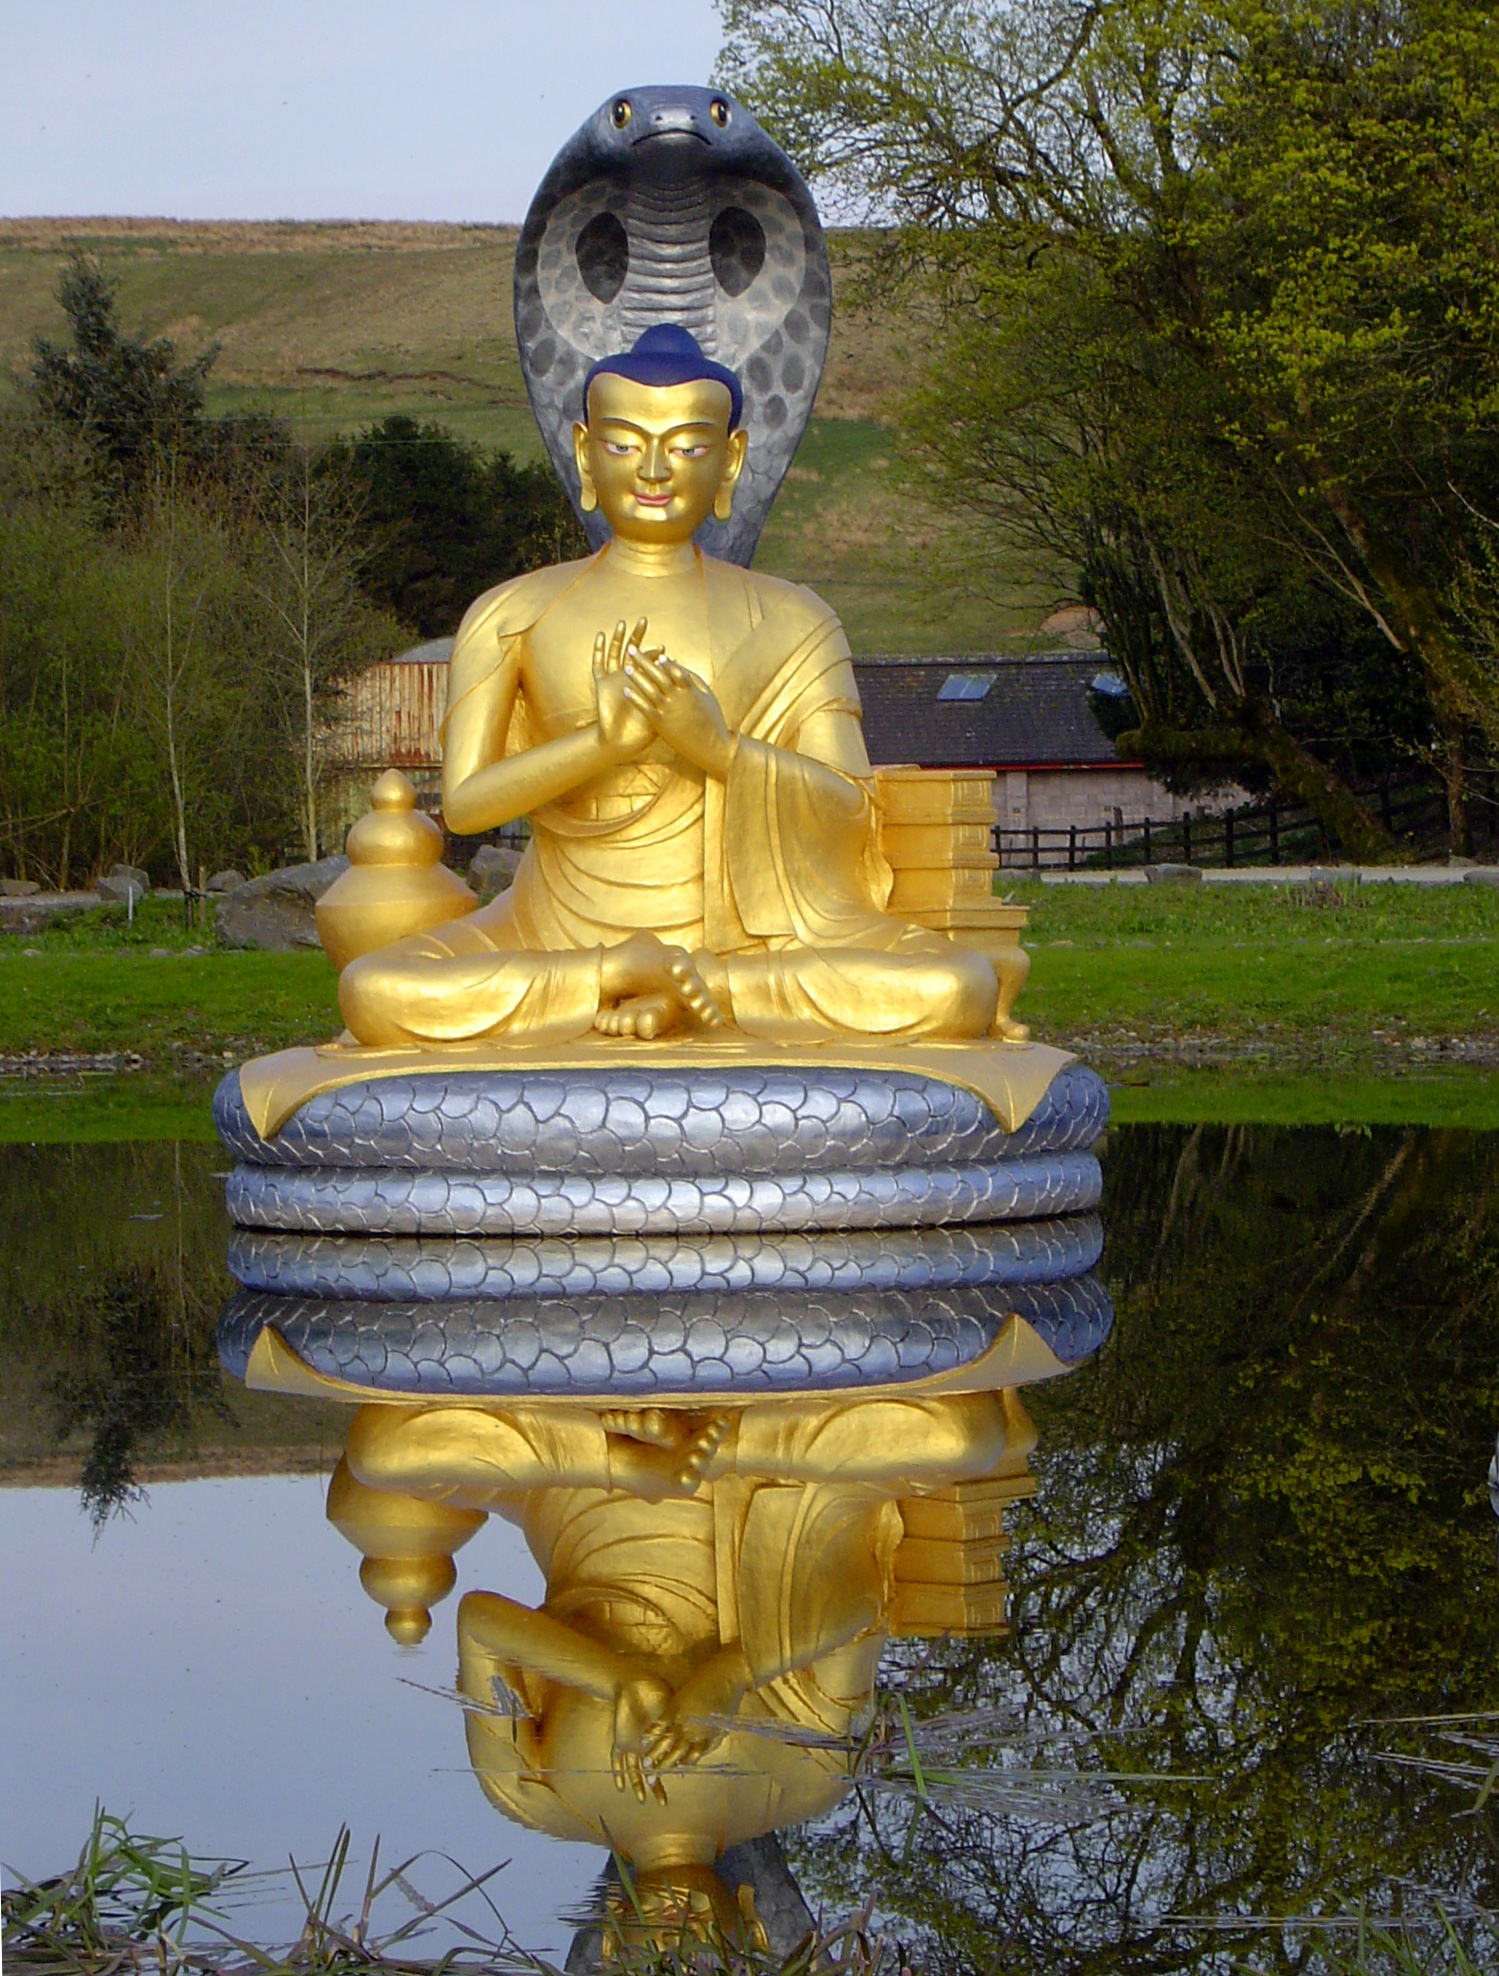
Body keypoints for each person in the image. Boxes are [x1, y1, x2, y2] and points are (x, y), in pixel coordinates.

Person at [338, 324, 999, 1049]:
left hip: (750, 942)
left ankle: (701, 986)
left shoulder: (792, 616)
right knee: (374, 992)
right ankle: (616, 973)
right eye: (624, 444)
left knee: (957, 988)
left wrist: (720, 750)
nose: (655, 470)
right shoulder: (512, 612)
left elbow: (849, 809)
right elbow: (464, 805)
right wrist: (601, 744)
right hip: (550, 929)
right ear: (584, 453)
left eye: (687, 446)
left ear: (731, 460)